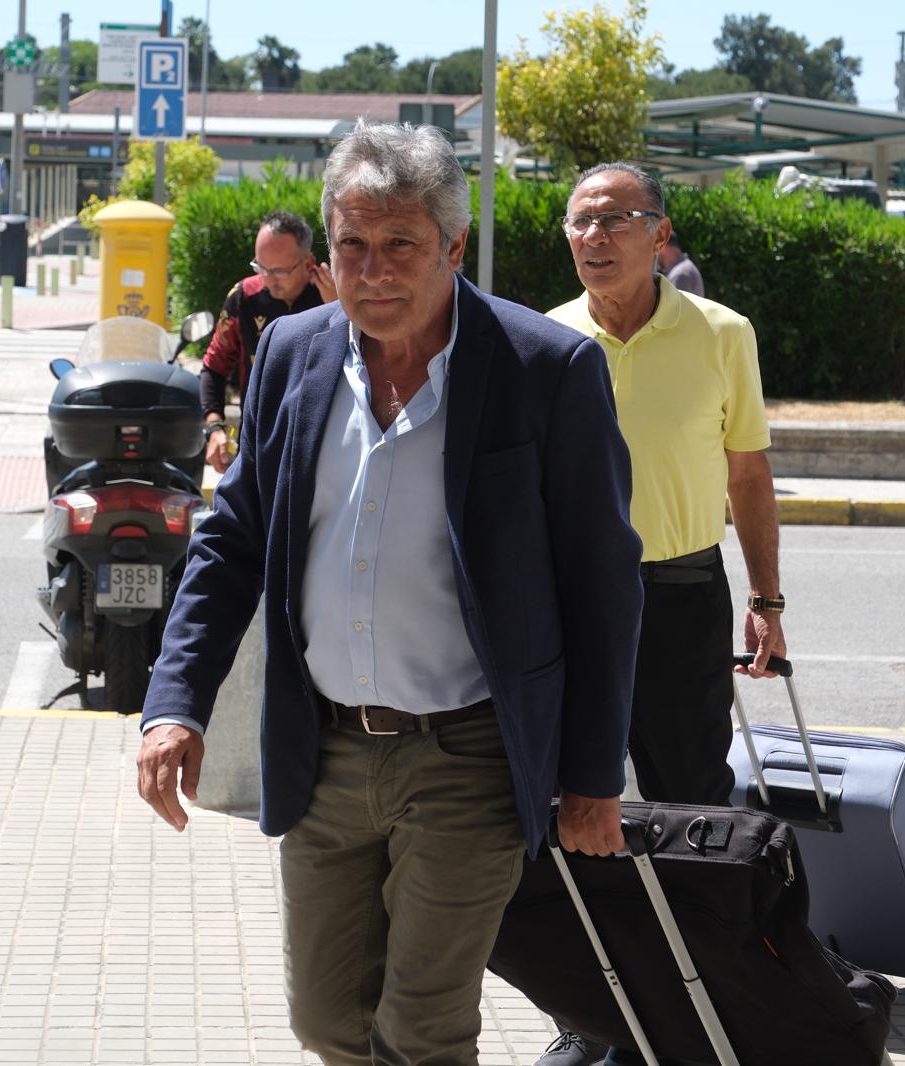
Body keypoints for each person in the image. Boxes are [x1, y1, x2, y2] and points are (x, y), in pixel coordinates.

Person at [136, 123, 645, 1066]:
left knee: (421, 1028)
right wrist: (175, 706)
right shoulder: (290, 353)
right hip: (321, 751)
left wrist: (590, 777)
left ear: (452, 247)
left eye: (399, 245)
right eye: (351, 246)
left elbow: (601, 585)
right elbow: (233, 540)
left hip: (467, 759)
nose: (372, 271)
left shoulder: (545, 370)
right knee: (327, 1022)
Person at [537, 163, 788, 1066]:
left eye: (614, 221)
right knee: (567, 805)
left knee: (691, 805)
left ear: (658, 234)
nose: (594, 238)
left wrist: (764, 600)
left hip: (682, 593)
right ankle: (587, 1018)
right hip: (566, 604)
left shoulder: (721, 334)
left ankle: (715, 999)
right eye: (579, 223)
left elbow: (748, 475)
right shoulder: (540, 339)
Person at [197, 209, 337, 474]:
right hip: (257, 444)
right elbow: (213, 367)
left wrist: (341, 310)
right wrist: (214, 428)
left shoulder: (334, 296)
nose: (268, 280)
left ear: (308, 262)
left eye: (280, 271)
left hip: (323, 447)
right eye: (261, 267)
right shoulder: (243, 297)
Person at [656, 231, 704, 298]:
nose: (655, 254)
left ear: (663, 245)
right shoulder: (683, 269)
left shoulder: (680, 274)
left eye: (656, 247)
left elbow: (679, 308)